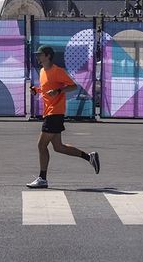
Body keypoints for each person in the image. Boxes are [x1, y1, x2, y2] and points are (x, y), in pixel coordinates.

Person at [26, 45, 100, 189]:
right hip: (49, 112)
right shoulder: (42, 71)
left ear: (48, 56)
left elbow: (73, 86)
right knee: (59, 147)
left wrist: (59, 90)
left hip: (55, 112)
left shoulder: (58, 71)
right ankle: (89, 157)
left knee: (41, 145)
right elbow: (47, 88)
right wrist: (37, 90)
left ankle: (42, 178)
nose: (38, 57)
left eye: (40, 54)